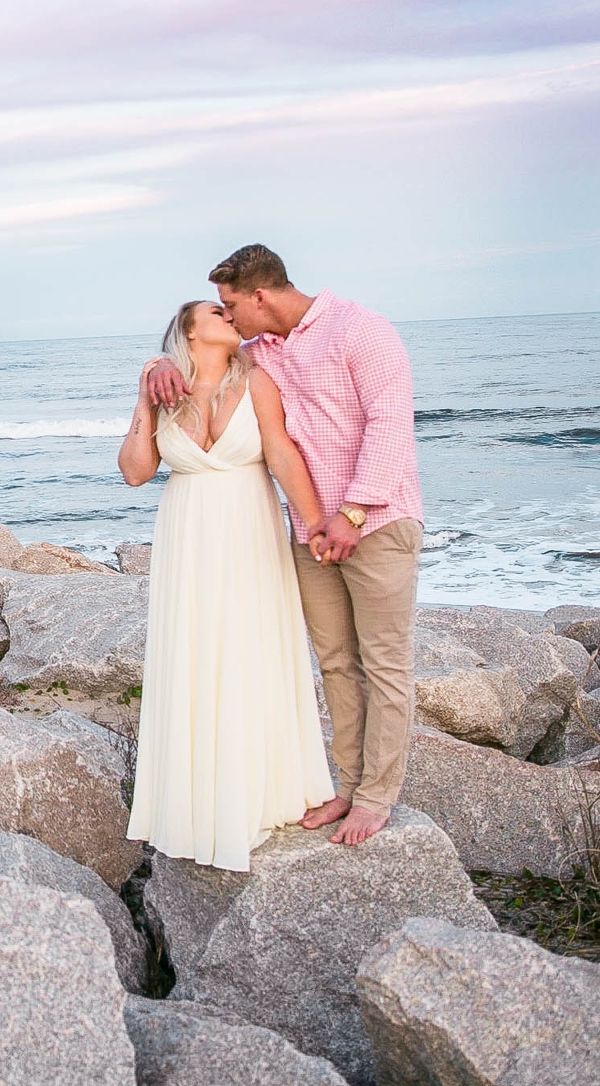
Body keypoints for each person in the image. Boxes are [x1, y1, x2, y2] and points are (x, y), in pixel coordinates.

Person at [149, 244, 422, 847]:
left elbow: (390, 425)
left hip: (373, 522)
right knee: (335, 663)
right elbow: (194, 355)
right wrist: (154, 366)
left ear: (259, 297)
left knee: (383, 664)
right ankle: (347, 787)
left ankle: (377, 799)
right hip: (310, 529)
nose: (229, 317)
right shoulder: (262, 348)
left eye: (230, 305)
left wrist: (351, 512)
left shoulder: (363, 331)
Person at [119, 298, 336, 871]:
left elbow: (284, 456)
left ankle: (260, 793)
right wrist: (144, 394)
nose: (229, 315)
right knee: (192, 655)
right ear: (189, 333)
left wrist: (316, 524)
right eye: (215, 311)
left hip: (249, 526)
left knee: (250, 649)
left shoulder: (258, 380)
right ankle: (191, 802)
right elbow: (135, 472)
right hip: (187, 533)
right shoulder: (163, 389)